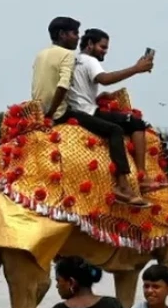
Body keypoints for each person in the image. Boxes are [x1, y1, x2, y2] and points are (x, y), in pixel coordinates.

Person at [65, 28, 155, 205]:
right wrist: (136, 69)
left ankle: (142, 177)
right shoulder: (89, 61)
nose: (105, 51)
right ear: (90, 44)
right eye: (102, 47)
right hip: (86, 112)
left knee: (134, 122)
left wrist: (99, 97)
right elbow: (104, 79)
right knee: (125, 127)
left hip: (83, 108)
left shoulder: (75, 60)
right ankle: (126, 184)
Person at [32, 17, 81, 122]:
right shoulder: (67, 54)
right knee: (115, 129)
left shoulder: (40, 55)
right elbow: (63, 86)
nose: (78, 37)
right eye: (75, 33)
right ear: (62, 34)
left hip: (38, 113)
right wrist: (51, 113)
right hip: (59, 114)